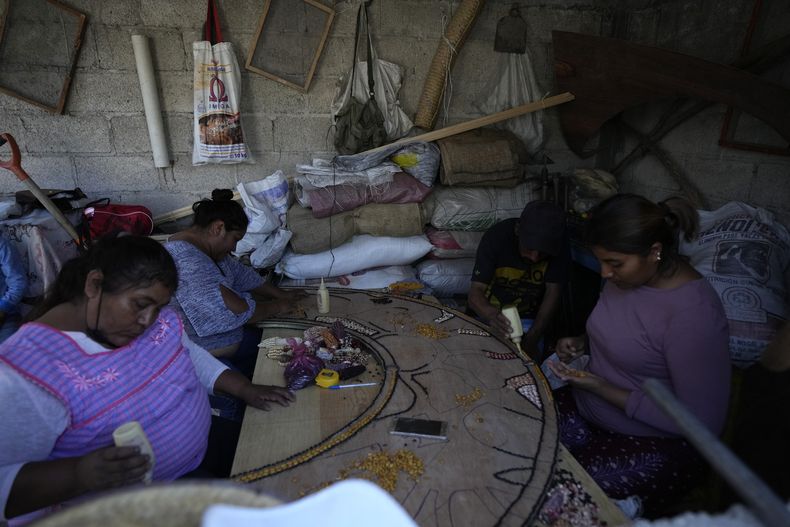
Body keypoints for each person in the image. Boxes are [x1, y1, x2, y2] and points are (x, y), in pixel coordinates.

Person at [0, 236, 293, 522]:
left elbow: (188, 354)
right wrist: (78, 475)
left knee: (282, 460)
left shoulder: (145, 321)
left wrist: (244, 387)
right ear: (94, 285)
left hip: (198, 459)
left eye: (158, 308)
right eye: (140, 304)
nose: (147, 321)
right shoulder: (26, 376)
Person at [545, 193, 731, 516]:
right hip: (589, 409)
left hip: (656, 442)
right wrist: (581, 342)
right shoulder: (626, 278)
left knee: (554, 495)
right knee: (518, 438)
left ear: (654, 252)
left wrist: (600, 386)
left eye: (613, 263)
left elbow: (701, 423)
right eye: (601, 261)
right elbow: (626, 337)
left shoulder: (693, 314)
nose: (604, 273)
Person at [164, 189, 303, 374]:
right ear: (218, 228)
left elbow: (241, 274)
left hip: (226, 340)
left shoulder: (204, 248)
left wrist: (282, 294)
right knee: (278, 360)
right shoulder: (186, 260)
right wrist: (278, 306)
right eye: (235, 239)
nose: (234, 247)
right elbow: (237, 309)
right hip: (200, 352)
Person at [467, 200, 570, 359]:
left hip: (529, 319)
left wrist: (533, 338)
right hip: (489, 314)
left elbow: (553, 292)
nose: (535, 258)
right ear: (517, 230)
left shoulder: (559, 246)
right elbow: (475, 293)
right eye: (529, 248)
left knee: (529, 363)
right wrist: (492, 316)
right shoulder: (497, 237)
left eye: (543, 253)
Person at [0, 235, 27, 343]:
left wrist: (2, 309)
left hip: (5, 317)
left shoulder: (2, 245)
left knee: (9, 355)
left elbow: (18, 283)